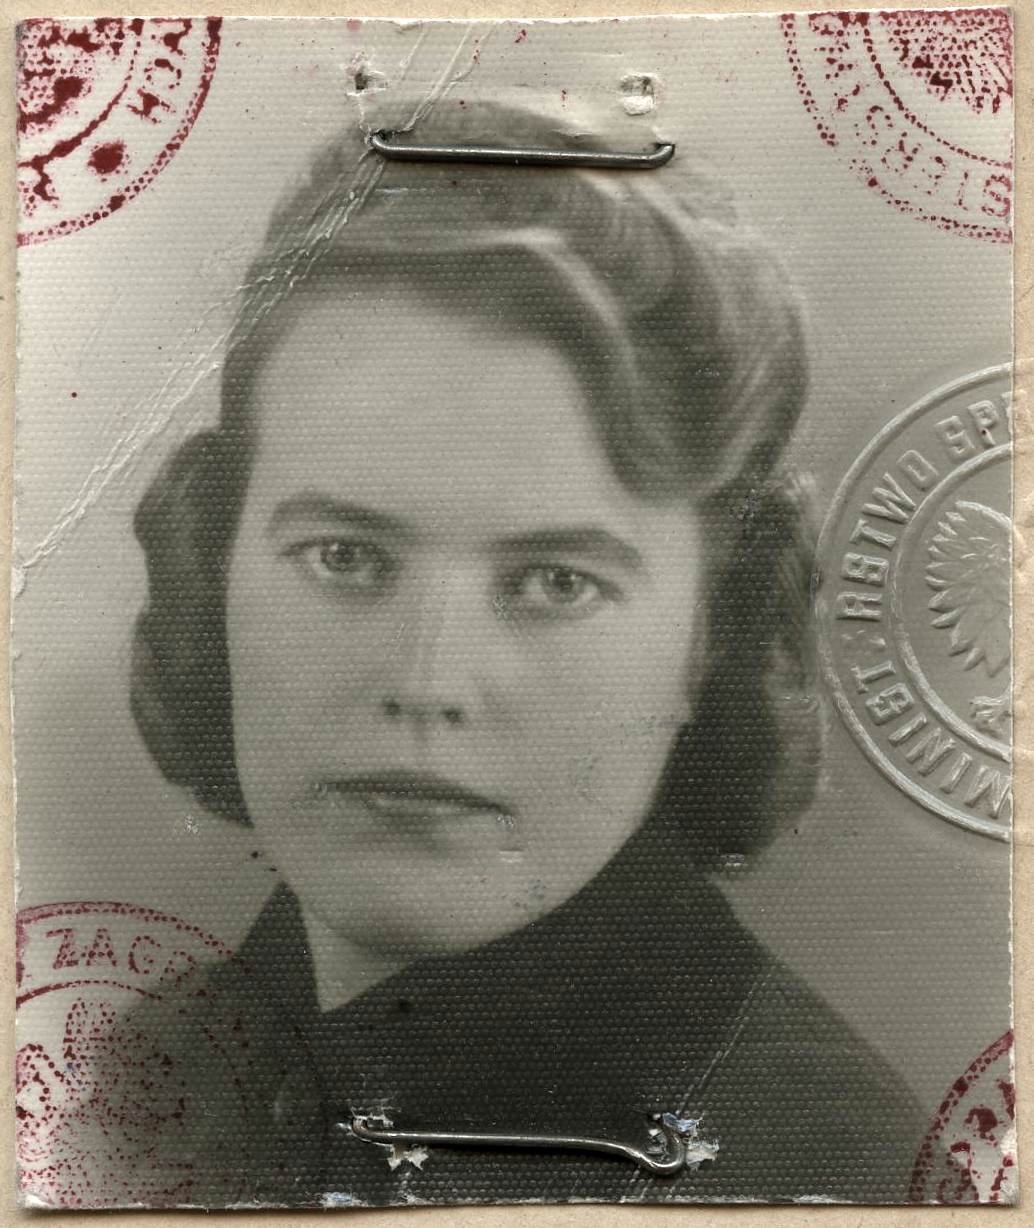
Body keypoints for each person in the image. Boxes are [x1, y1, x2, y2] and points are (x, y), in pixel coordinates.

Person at [120, 100, 927, 1207]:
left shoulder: (822, 1169)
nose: (424, 683)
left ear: (711, 636)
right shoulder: (141, 1075)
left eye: (555, 582)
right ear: (214, 566)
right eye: (344, 556)